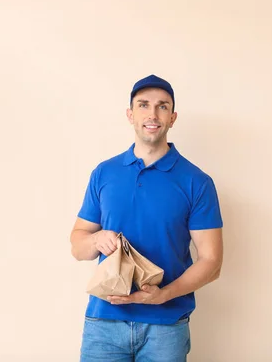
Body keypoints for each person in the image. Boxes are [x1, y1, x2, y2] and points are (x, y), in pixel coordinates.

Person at [70, 74, 224, 362]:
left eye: (162, 106)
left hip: (165, 328)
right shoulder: (104, 173)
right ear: (130, 115)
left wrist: (164, 295)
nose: (152, 114)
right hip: (104, 323)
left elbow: (211, 262)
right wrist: (96, 239)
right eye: (143, 105)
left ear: (173, 117)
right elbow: (77, 246)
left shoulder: (197, 182)